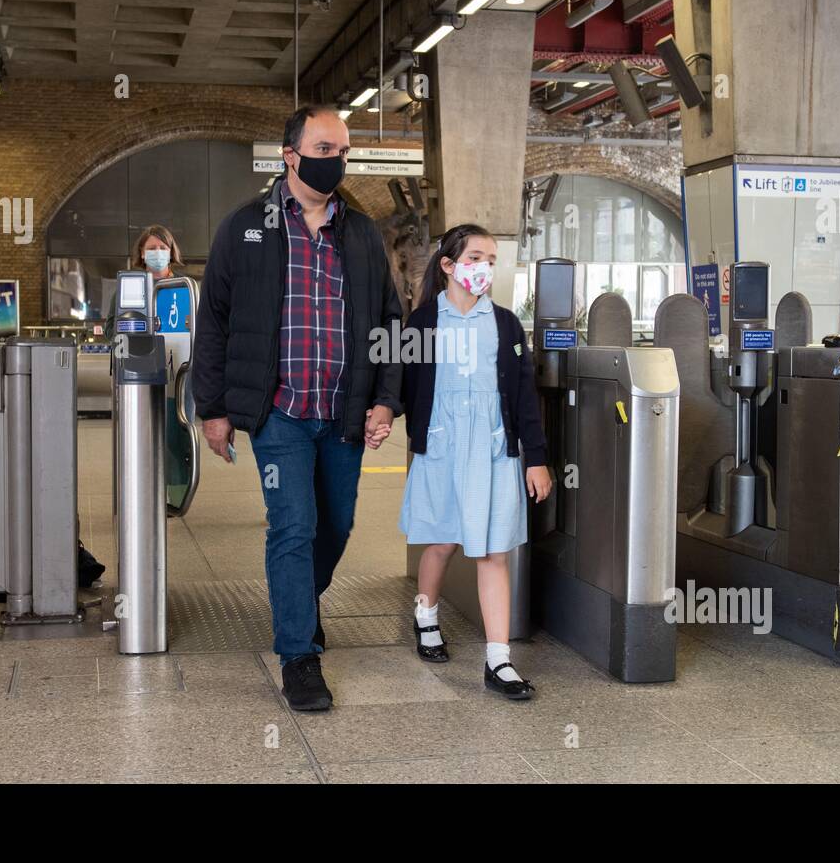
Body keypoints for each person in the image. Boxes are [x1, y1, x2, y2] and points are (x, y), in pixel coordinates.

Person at [193, 104, 403, 712]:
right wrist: (214, 408)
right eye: (324, 148)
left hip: (343, 410)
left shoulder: (360, 234)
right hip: (278, 411)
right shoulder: (244, 229)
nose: (336, 159)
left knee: (336, 526)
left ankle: (298, 604)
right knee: (295, 526)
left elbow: (390, 323)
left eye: (343, 150)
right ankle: (299, 655)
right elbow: (215, 323)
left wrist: (386, 400)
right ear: (291, 155)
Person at [399, 224, 552, 700]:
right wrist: (380, 418)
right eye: (476, 257)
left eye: (491, 259)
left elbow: (524, 394)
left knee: (492, 551)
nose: (485, 266)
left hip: (492, 447)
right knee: (442, 541)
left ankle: (498, 659)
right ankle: (426, 616)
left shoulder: (506, 323)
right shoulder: (423, 322)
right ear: (448, 265)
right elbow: (405, 386)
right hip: (443, 446)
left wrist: (537, 459)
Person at [103, 224, 182, 340]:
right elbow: (109, 329)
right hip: (139, 353)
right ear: (142, 253)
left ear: (170, 253)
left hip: (177, 354)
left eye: (163, 248)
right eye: (152, 248)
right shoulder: (128, 287)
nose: (158, 252)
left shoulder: (183, 286)